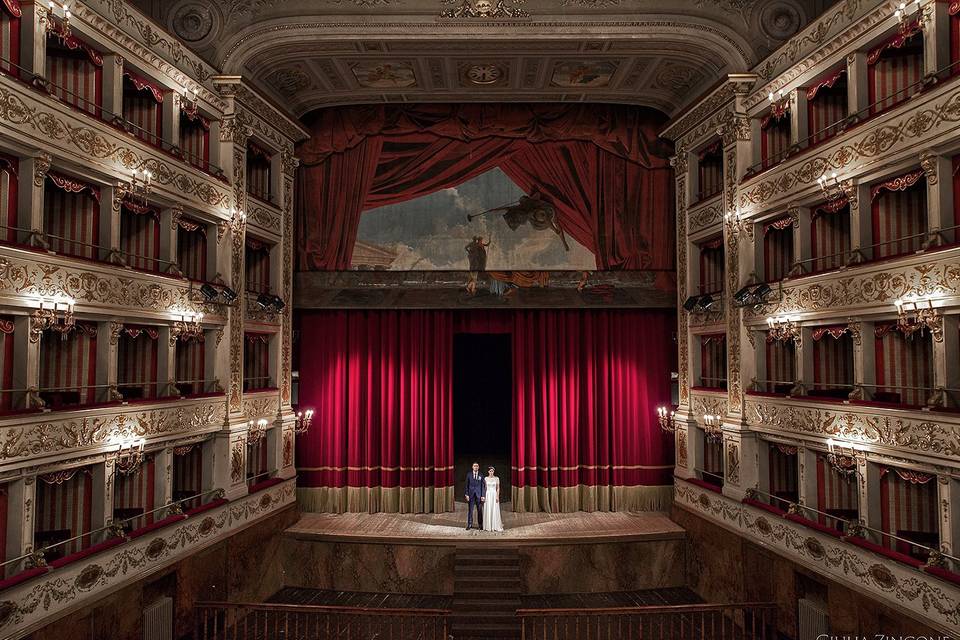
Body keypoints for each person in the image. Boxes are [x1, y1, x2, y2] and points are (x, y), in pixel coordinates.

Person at [464, 461, 485, 530]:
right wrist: (466, 494)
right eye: (474, 466)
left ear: (478, 467)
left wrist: (483, 495)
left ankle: (480, 525)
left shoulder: (481, 475)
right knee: (470, 510)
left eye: (477, 466)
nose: (475, 467)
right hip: (471, 495)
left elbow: (483, 486)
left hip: (479, 495)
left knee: (479, 510)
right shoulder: (469, 475)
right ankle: (469, 524)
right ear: (472, 467)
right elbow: (466, 485)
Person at [482, 466, 503, 532]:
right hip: (488, 495)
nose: (491, 472)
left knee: (494, 509)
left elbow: (498, 488)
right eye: (490, 471)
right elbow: (484, 488)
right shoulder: (485, 478)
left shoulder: (497, 478)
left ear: (494, 471)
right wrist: (484, 496)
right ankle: (488, 526)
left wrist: (497, 496)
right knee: (488, 509)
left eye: (492, 471)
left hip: (494, 494)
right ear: (488, 472)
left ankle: (494, 525)